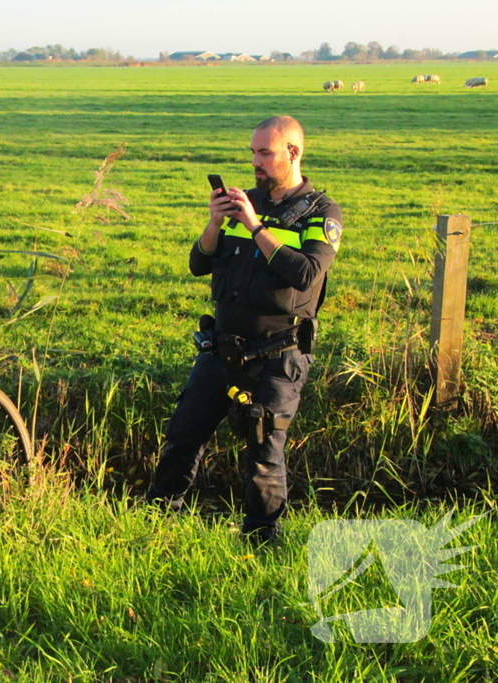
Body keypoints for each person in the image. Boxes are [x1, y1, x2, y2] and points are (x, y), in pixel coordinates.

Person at [146, 115, 343, 542]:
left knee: (263, 453)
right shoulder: (244, 202)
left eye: (265, 153)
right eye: (253, 152)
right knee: (182, 436)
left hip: (278, 353)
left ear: (293, 152)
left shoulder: (320, 212)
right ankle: (155, 524)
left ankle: (261, 540)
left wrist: (256, 227)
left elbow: (306, 274)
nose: (255, 161)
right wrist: (215, 223)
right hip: (222, 348)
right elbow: (199, 264)